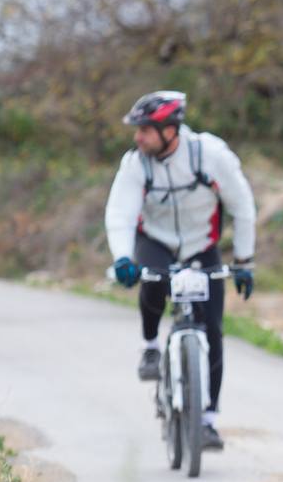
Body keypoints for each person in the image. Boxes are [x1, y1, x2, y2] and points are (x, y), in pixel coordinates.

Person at [103, 91, 257, 451]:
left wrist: (245, 262)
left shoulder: (210, 155)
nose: (137, 138)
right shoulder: (135, 163)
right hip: (155, 240)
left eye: (145, 130)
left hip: (201, 245)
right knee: (152, 282)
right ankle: (151, 346)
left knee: (213, 327)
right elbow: (121, 213)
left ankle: (207, 421)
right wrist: (123, 258)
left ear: (170, 130)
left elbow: (243, 207)